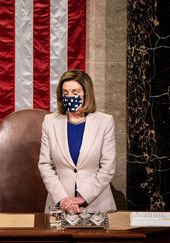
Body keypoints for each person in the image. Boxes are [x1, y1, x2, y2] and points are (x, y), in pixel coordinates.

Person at [38, 70, 116, 213]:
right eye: (65, 93)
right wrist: (63, 199)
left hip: (96, 206)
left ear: (86, 93)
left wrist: (82, 197)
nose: (70, 97)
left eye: (75, 92)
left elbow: (107, 168)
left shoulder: (105, 122)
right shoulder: (50, 122)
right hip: (60, 206)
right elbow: (45, 165)